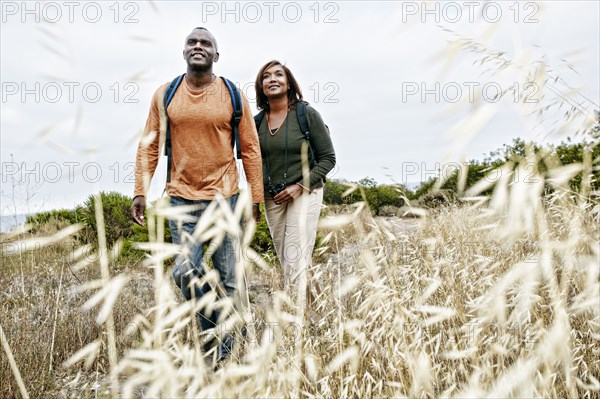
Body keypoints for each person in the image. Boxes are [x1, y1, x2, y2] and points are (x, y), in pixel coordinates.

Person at [131, 27, 264, 361]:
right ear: (184, 51)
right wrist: (140, 191)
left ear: (216, 55)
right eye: (192, 42)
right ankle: (224, 326)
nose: (198, 46)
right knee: (184, 271)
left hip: (225, 198)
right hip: (181, 199)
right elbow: (149, 146)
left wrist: (256, 197)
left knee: (231, 279)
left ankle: (225, 353)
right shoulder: (166, 94)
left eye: (206, 43)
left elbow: (250, 148)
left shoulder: (233, 94)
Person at [254, 60, 336, 312]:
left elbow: (328, 159)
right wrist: (254, 201)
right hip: (272, 199)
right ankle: (321, 313)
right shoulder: (255, 123)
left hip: (305, 192)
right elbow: (252, 165)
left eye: (279, 74)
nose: (272, 79)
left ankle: (298, 324)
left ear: (289, 83)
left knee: (295, 259)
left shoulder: (305, 114)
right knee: (292, 261)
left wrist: (300, 186)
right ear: (261, 86)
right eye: (266, 76)